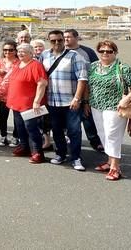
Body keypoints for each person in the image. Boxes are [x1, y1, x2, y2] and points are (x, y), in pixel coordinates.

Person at [87, 40, 131, 181]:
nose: (105, 53)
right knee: (102, 134)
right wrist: (86, 102)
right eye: (102, 51)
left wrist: (126, 99)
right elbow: (88, 86)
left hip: (115, 107)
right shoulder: (92, 67)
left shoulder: (123, 68)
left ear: (115, 52)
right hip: (96, 105)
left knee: (112, 135)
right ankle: (109, 161)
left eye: (109, 51)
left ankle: (115, 167)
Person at [41, 30, 88, 171]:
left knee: (74, 131)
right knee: (57, 130)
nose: (57, 43)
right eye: (53, 40)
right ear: (49, 41)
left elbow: (82, 79)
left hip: (70, 101)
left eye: (59, 40)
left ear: (64, 40)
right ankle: (60, 154)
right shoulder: (44, 55)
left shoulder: (75, 56)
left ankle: (76, 158)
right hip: (52, 101)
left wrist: (78, 98)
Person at [6, 43, 49, 164]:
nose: (20, 53)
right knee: (20, 127)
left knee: (31, 128)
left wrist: (37, 101)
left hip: (29, 104)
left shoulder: (36, 65)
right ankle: (24, 147)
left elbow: (42, 83)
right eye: (19, 51)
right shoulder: (18, 64)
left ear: (31, 53)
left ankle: (38, 152)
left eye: (23, 51)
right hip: (16, 102)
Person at [64, 29, 104, 152]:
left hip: (87, 90)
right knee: (68, 118)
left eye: (68, 37)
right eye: (64, 37)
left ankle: (95, 141)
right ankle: (68, 138)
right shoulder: (61, 52)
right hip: (67, 91)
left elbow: (98, 67)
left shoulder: (87, 52)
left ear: (77, 38)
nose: (66, 39)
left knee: (88, 117)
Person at [0, 40, 19, 146]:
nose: (7, 52)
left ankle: (15, 137)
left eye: (10, 50)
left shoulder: (19, 62)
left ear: (15, 50)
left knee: (16, 117)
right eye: (5, 50)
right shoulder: (1, 61)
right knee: (3, 116)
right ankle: (3, 136)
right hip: (3, 93)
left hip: (15, 93)